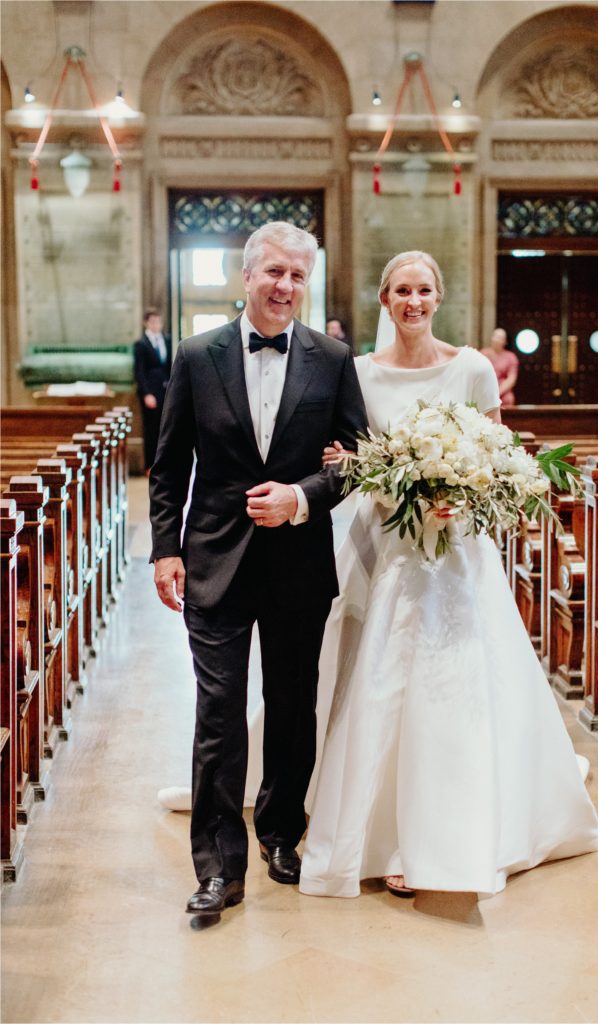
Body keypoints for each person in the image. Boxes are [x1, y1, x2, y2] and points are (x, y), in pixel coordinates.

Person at [298, 251, 598, 899]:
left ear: (438, 297)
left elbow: (495, 453)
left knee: (454, 679)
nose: (413, 301)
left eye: (424, 290)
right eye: (401, 291)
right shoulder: (357, 373)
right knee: (375, 677)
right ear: (384, 300)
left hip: (457, 547)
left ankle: (443, 831)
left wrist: (459, 495)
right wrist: (368, 474)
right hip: (383, 543)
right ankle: (372, 824)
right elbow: (348, 457)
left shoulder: (470, 367)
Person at [149, 221, 367, 917]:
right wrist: (164, 548)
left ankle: (280, 833)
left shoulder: (332, 358)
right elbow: (168, 463)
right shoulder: (196, 354)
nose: (285, 286)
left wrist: (301, 498)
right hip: (213, 557)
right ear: (245, 277)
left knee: (292, 707)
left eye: (298, 276)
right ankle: (217, 866)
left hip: (298, 562)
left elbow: (357, 462)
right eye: (273, 272)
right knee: (217, 714)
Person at [133, 308, 172, 473]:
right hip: (151, 391)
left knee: (166, 427)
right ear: (146, 323)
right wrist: (146, 393)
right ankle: (150, 464)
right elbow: (139, 371)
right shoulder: (141, 344)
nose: (157, 325)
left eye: (159, 321)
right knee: (151, 429)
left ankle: (165, 463)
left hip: (165, 388)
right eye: (153, 321)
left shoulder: (168, 340)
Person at [481, 326, 519, 407]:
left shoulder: (511, 357)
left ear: (505, 341)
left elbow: (512, 378)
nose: (496, 339)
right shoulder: (482, 354)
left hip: (503, 393)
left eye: (500, 338)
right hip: (484, 390)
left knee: (508, 399)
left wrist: (498, 392)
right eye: (495, 336)